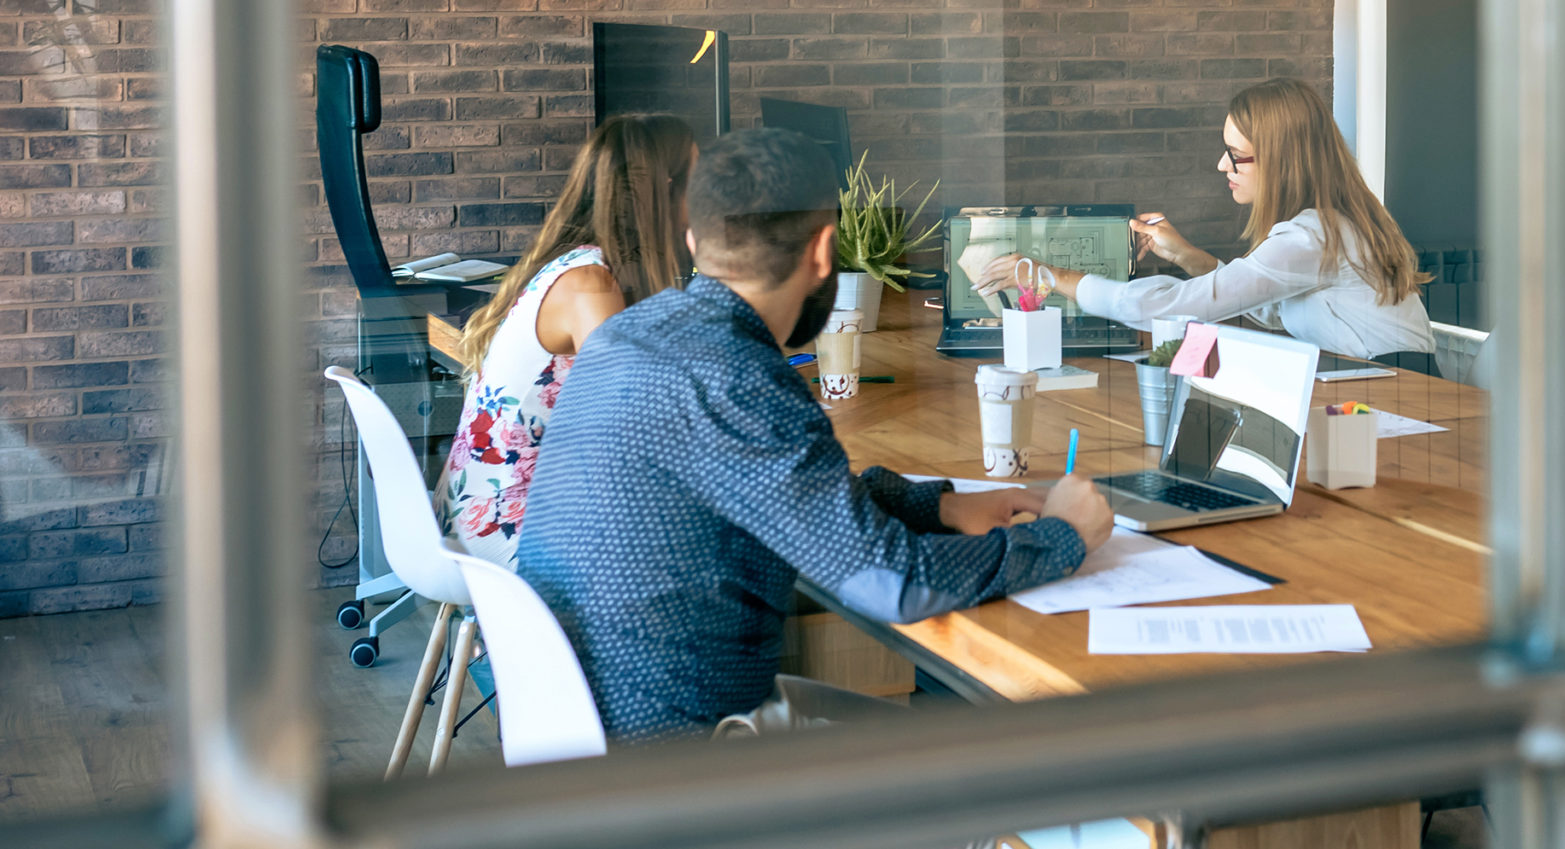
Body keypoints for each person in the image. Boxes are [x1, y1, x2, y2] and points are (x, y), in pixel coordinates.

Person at [515, 128, 1115, 744]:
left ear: (695, 240)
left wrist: (938, 505)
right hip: (683, 756)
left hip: (576, 722)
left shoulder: (631, 333)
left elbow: (781, 490)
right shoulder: (739, 376)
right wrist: (1063, 536)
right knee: (988, 760)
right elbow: (893, 584)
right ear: (825, 250)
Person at [971, 77, 1437, 365]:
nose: (1222, 166)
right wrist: (1188, 256)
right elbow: (1271, 308)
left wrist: (1050, 276)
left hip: (1404, 396)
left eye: (1236, 156)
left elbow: (1164, 308)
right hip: (1380, 388)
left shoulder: (1311, 236)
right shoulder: (1332, 224)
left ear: (1281, 160)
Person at [435, 114, 696, 570]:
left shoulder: (577, 265)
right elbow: (633, 423)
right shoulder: (589, 285)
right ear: (664, 190)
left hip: (483, 507)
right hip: (508, 527)